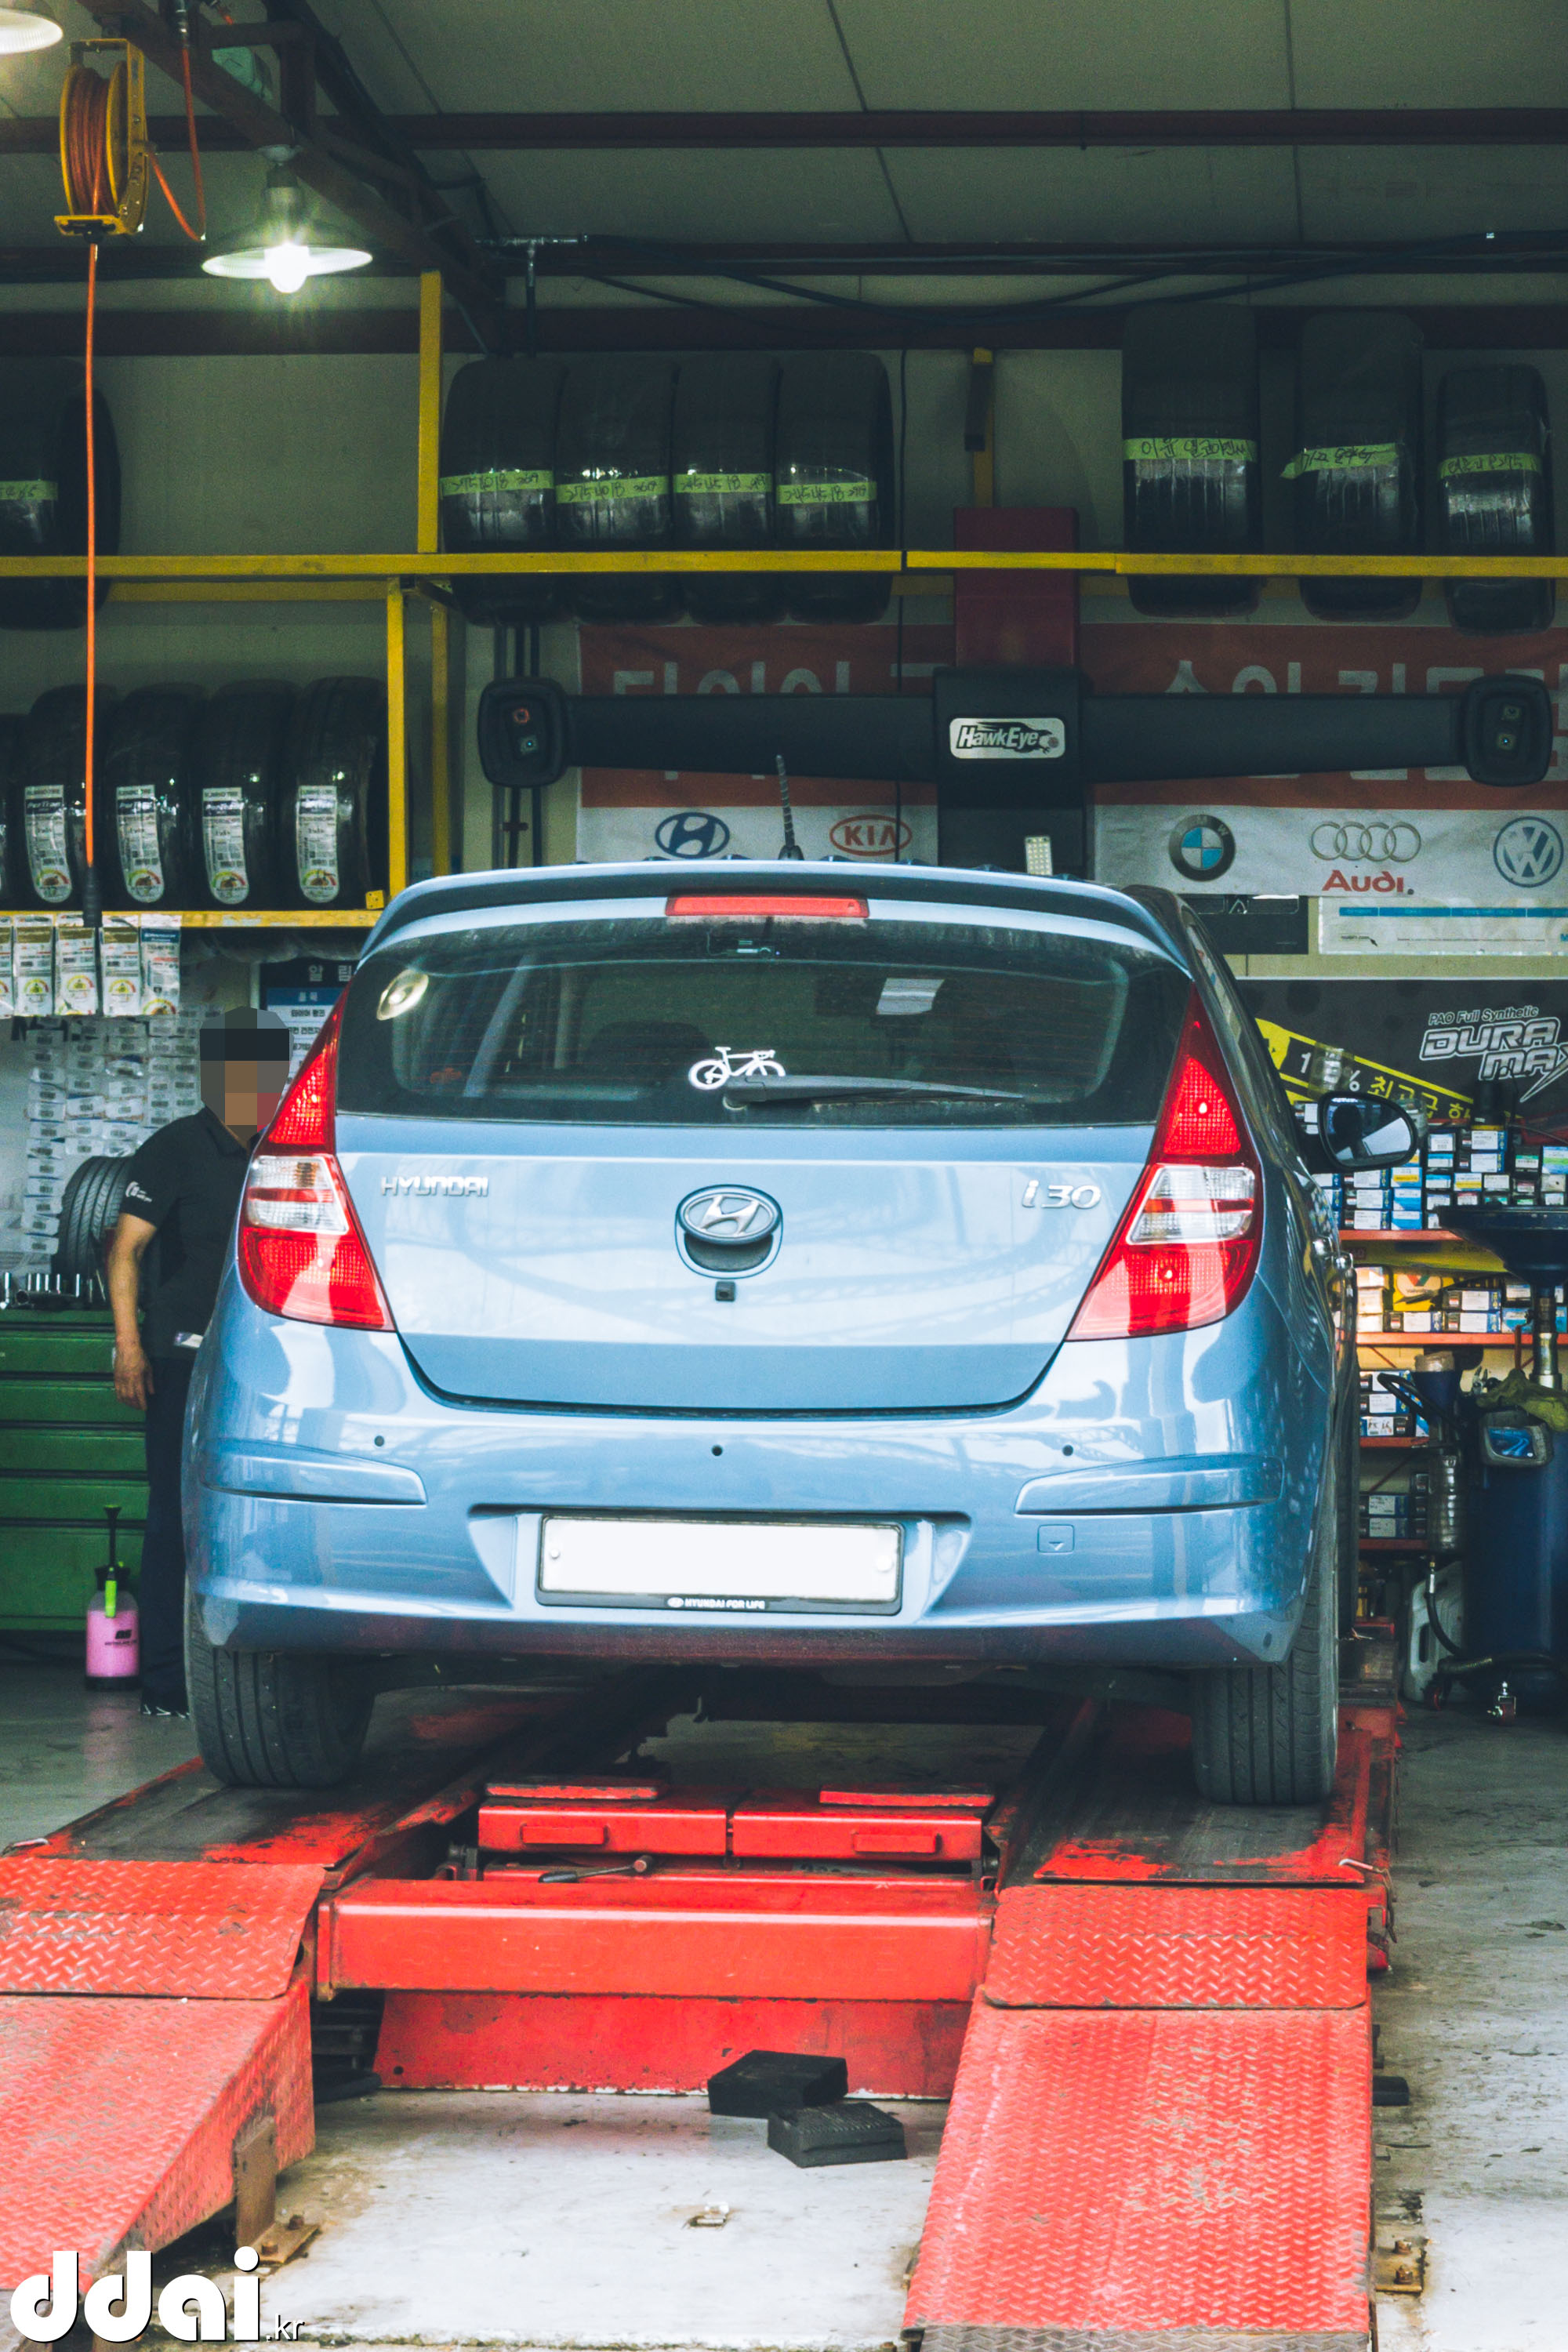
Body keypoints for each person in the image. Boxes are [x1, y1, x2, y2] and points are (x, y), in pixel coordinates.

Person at [107, 1009, 293, 1719]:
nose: (255, 1085)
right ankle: (166, 1683)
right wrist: (129, 1347)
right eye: (241, 1071)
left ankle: (258, 1672)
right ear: (215, 1075)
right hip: (180, 1357)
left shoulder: (286, 1147)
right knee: (174, 1516)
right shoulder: (176, 1148)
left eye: (266, 1071)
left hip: (264, 1361)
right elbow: (124, 1251)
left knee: (259, 1513)